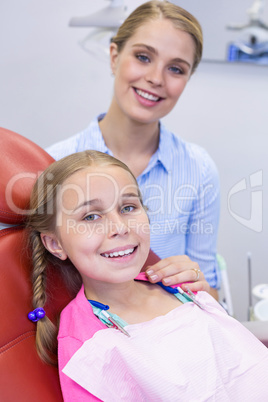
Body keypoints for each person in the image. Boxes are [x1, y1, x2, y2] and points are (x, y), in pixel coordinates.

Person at [27, 150, 268, 401]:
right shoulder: (83, 342)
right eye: (91, 216)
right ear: (55, 244)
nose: (120, 228)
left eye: (128, 207)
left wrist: (205, 294)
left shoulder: (179, 287)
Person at [46, 1, 220, 299]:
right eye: (143, 57)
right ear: (114, 57)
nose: (156, 78)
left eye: (176, 69)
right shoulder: (54, 163)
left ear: (187, 80)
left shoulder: (199, 168)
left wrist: (197, 285)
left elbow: (213, 294)